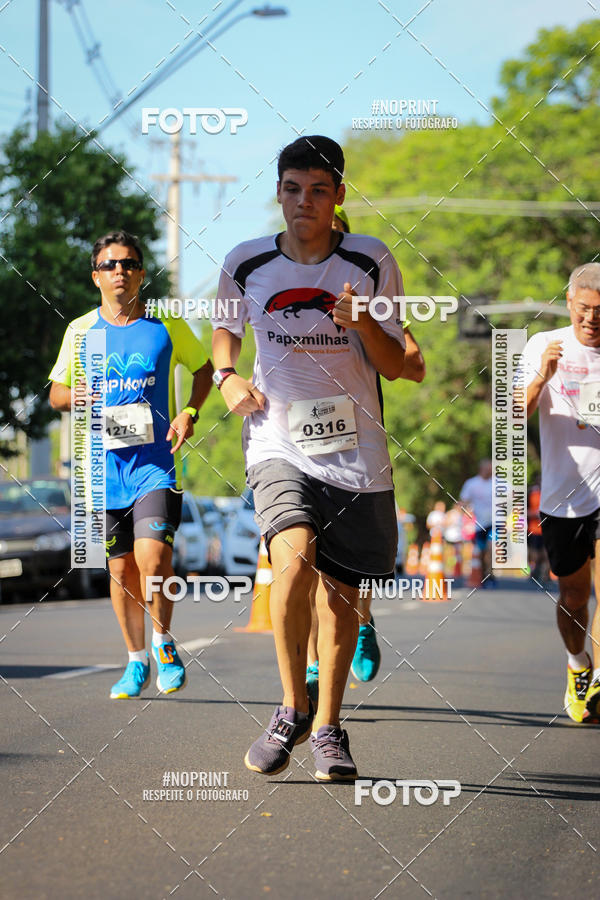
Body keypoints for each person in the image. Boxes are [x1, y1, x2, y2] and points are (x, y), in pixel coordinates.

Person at [212, 135, 406, 780]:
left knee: (343, 598)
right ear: (278, 193)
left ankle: (327, 726)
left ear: (338, 195)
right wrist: (226, 378)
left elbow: (398, 364)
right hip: (277, 442)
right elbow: (225, 332)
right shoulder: (245, 262)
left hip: (355, 451)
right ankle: (290, 707)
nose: (305, 202)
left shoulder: (371, 260)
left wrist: (364, 323)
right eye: (293, 189)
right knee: (291, 559)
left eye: (319, 190)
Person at [49, 230, 213, 699]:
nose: (119, 271)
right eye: (110, 265)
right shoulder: (81, 331)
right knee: (120, 571)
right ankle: (135, 660)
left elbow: (204, 370)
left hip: (153, 465)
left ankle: (163, 643)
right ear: (96, 277)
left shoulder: (165, 323)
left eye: (129, 263)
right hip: (101, 471)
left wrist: (190, 411)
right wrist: (75, 395)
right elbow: (56, 393)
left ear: (141, 273)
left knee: (153, 557)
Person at [306, 205, 426, 696]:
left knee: (348, 566)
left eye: (334, 232)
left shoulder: (371, 292)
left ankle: (363, 622)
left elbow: (412, 366)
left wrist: (366, 325)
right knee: (304, 560)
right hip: (297, 440)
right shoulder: (284, 284)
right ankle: (313, 667)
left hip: (355, 438)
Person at [523, 262, 600, 723]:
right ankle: (578, 664)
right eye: (584, 309)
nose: (592, 319)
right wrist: (542, 376)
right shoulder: (543, 345)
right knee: (574, 597)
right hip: (564, 496)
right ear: (569, 302)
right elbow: (512, 414)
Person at [460, 459, 494, 584]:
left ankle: (490, 575)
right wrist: (465, 511)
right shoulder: (471, 483)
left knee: (491, 548)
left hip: (494, 523)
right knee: (481, 551)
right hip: (479, 524)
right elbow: (464, 501)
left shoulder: (498, 483)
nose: (491, 471)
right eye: (488, 469)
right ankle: (483, 573)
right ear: (481, 469)